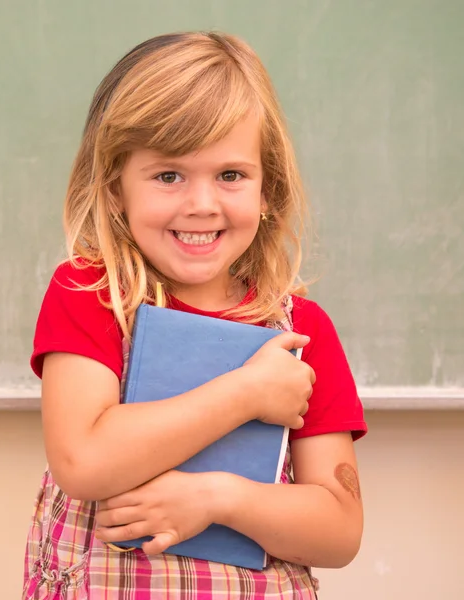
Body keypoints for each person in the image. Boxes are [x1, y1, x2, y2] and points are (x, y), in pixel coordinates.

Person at [22, 31, 367, 600]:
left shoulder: (301, 333)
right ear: (114, 188)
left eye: (230, 175)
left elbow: (340, 532)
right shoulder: (90, 294)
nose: (202, 203)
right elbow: (82, 461)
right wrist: (245, 395)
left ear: (267, 190)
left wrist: (218, 498)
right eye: (168, 175)